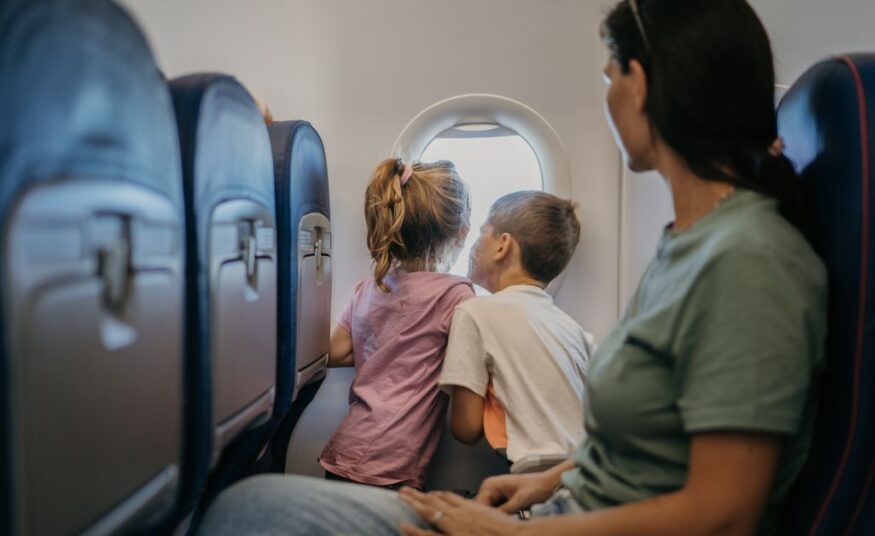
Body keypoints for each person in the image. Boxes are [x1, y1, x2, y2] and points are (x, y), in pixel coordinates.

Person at [198, 0, 827, 534]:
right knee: (245, 506)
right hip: (554, 506)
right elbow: (632, 455)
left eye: (610, 76)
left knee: (242, 510)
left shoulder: (748, 259)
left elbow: (724, 513)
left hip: (561, 524)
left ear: (640, 85)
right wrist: (538, 486)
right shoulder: (686, 249)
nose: (607, 96)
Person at [319, 158, 474, 490]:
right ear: (460, 233)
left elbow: (334, 352)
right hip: (390, 463)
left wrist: (384, 351)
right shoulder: (456, 295)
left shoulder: (370, 286)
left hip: (347, 449)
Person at [442, 191, 592, 466]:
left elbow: (465, 428)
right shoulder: (575, 331)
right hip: (585, 471)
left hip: (534, 477)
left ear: (503, 246)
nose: (474, 243)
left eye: (482, 232)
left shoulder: (475, 312)